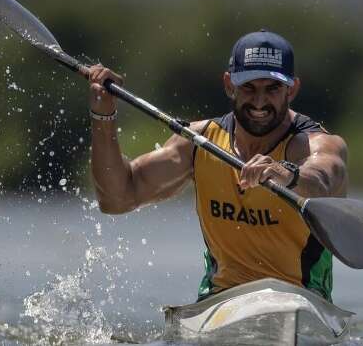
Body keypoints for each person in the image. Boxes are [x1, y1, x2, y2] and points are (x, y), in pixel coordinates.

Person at [87, 30, 347, 302]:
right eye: (248, 87)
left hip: (301, 301)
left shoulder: (317, 144)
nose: (259, 102)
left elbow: (322, 178)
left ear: (291, 89)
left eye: (272, 89)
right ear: (228, 85)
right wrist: (103, 116)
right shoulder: (197, 142)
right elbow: (116, 199)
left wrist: (288, 173)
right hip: (220, 302)